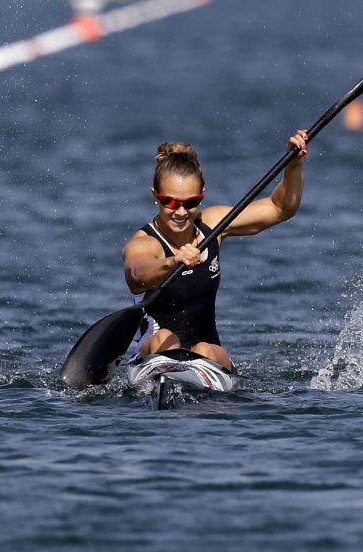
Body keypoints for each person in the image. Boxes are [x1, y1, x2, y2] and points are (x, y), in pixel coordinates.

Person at [122, 129, 309, 372]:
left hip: (208, 359)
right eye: (170, 202)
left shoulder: (213, 225)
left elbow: (280, 208)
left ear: (202, 197)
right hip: (155, 355)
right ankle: (168, 380)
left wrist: (293, 167)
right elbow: (137, 272)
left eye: (190, 203)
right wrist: (174, 262)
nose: (180, 212)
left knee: (204, 349)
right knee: (164, 337)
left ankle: (200, 380)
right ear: (155, 196)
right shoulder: (145, 243)